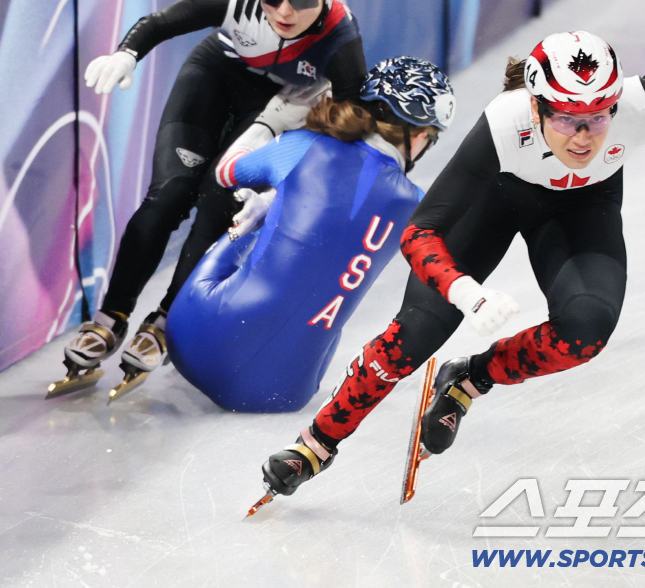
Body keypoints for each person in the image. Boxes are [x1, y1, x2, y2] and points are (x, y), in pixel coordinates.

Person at [258, 11, 645, 498]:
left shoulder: (640, 110)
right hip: (497, 196)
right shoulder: (505, 124)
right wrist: (464, 291)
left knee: (586, 331)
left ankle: (469, 379)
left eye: (598, 117)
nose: (583, 136)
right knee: (418, 331)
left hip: (582, 207)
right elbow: (420, 231)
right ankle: (317, 443)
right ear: (535, 106)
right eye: (566, 118)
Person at [49, 0, 367, 399]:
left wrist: (290, 183)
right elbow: (164, 20)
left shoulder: (341, 40)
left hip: (275, 109)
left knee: (219, 206)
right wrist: (126, 53)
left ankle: (165, 320)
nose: (284, 10)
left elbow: (350, 135)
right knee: (168, 197)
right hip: (214, 77)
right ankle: (111, 316)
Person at [167, 58, 455, 412]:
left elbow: (226, 173)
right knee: (323, 289)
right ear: (420, 134)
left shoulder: (302, 144)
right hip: (285, 390)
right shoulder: (418, 207)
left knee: (253, 229)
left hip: (189, 341)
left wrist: (270, 123)